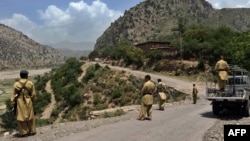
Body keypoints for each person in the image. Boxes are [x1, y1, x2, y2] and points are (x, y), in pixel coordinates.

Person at [11, 70, 36, 137]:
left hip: (19, 101)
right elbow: (33, 94)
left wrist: (13, 102)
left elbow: (13, 94)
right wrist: (32, 101)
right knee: (30, 116)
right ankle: (32, 131)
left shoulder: (16, 84)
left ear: (20, 75)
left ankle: (24, 132)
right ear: (26, 76)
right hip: (28, 100)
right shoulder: (30, 83)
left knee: (20, 117)